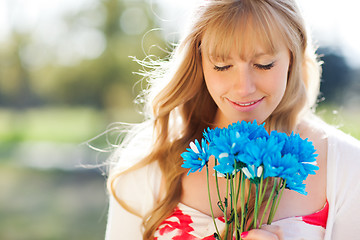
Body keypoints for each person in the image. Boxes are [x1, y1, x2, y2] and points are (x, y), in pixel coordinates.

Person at [105, 0, 360, 239]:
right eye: (222, 66)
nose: (243, 88)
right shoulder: (147, 164)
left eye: (264, 64)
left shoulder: (346, 166)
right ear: (199, 61)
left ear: (293, 57)